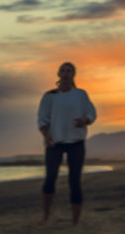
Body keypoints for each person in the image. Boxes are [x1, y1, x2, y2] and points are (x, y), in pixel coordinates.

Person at [37, 62, 96, 225]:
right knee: (50, 178)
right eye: (62, 70)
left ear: (73, 74)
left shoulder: (80, 94)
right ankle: (45, 215)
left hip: (76, 142)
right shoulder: (49, 96)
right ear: (58, 74)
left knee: (74, 180)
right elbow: (42, 119)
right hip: (54, 142)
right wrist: (46, 135)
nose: (65, 73)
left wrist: (85, 119)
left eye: (69, 71)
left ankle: (75, 220)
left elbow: (91, 112)